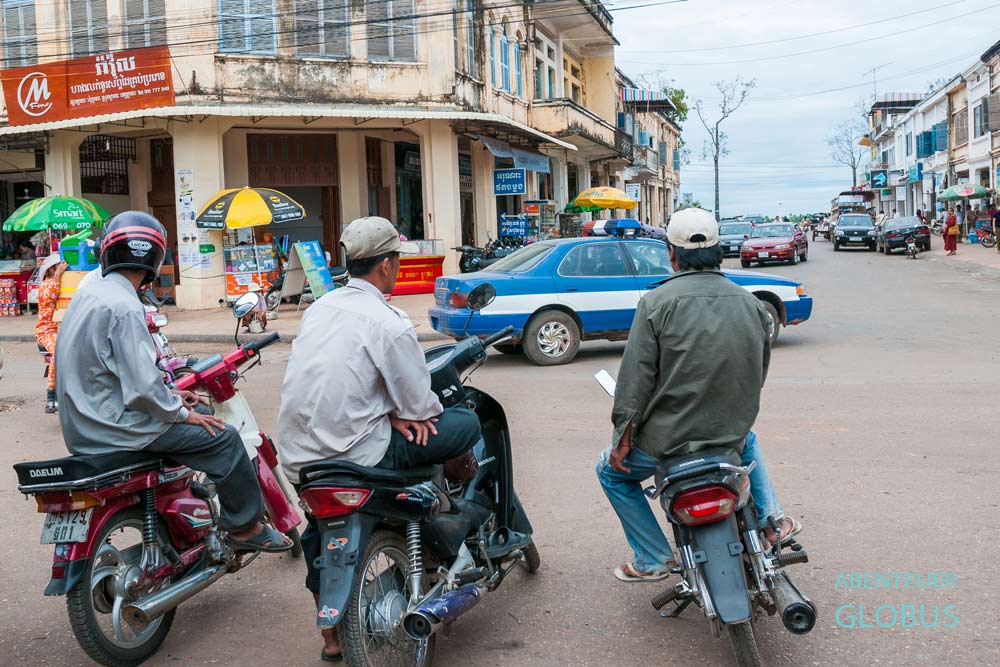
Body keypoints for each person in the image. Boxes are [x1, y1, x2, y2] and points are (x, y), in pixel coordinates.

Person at [276, 216, 481, 662]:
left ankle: (331, 638)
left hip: (300, 456)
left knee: (319, 527)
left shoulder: (318, 309)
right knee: (464, 422)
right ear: (387, 266)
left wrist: (392, 411)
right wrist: (408, 414)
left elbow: (336, 380)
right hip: (359, 451)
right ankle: (442, 513)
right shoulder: (389, 322)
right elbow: (420, 404)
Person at [55, 211, 289, 553]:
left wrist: (173, 396)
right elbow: (141, 390)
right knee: (224, 439)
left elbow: (116, 375)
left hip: (84, 426)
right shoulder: (126, 307)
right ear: (154, 258)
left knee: (196, 413)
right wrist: (180, 412)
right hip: (118, 428)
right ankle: (244, 528)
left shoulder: (88, 296)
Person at [595, 207, 800, 583]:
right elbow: (758, 373)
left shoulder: (656, 304)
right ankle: (773, 524)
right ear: (719, 250)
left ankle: (653, 557)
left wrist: (621, 442)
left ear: (672, 254)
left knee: (609, 473)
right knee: (748, 439)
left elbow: (634, 384)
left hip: (665, 445)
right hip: (728, 437)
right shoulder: (752, 304)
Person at [34, 253, 66, 414]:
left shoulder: (60, 282)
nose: (63, 267)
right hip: (47, 330)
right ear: (52, 269)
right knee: (58, 351)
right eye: (59, 265)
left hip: (62, 327)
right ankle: (51, 396)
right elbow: (51, 299)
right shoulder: (47, 285)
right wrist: (59, 274)